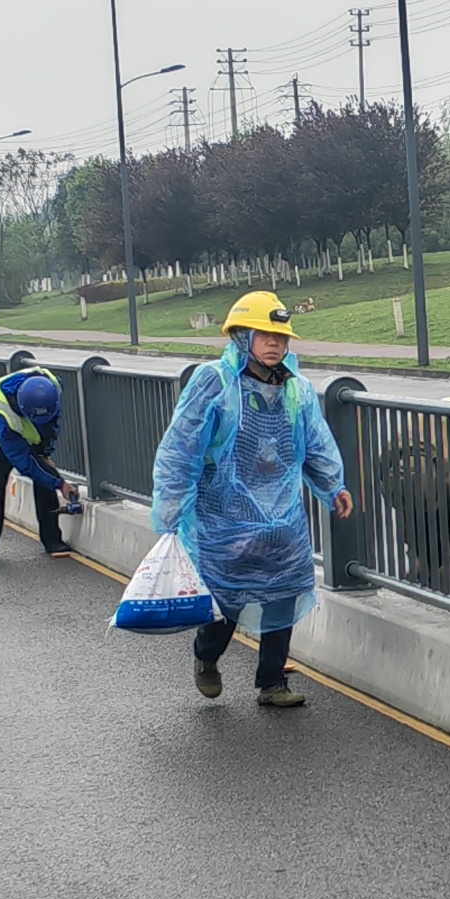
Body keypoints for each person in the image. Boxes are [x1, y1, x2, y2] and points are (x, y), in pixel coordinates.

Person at [152, 291, 351, 706]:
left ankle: (272, 682)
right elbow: (181, 449)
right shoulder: (214, 383)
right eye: (265, 335)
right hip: (223, 518)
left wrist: (334, 487)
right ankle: (206, 657)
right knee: (227, 600)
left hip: (283, 520)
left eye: (281, 336)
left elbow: (313, 443)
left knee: (285, 592)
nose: (275, 343)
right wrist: (170, 513)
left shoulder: (297, 389)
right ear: (242, 336)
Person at [0, 365, 84, 563]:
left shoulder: (51, 387)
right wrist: (60, 483)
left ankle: (52, 540)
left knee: (45, 476)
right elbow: (25, 462)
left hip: (20, 429)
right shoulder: (3, 414)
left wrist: (45, 455)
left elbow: (51, 427)